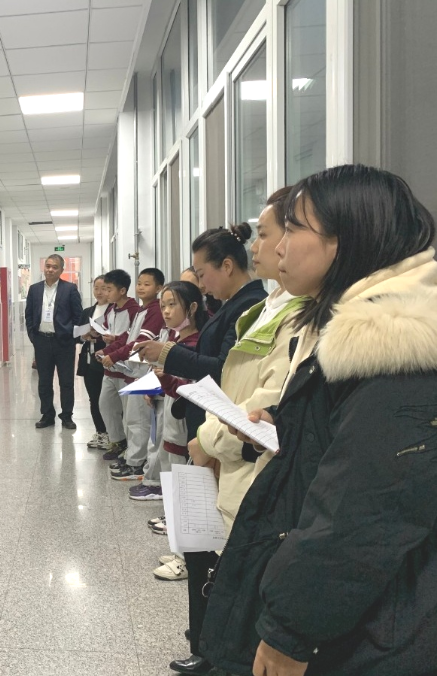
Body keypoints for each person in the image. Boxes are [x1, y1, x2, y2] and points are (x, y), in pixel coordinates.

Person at [202, 165, 437, 676]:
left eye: (292, 229)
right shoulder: (343, 323)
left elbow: (361, 515)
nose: (278, 247)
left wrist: (290, 632)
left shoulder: (394, 347)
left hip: (371, 631)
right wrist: (287, 422)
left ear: (345, 238)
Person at [134, 223, 267, 676]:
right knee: (201, 543)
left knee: (208, 548)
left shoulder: (250, 308)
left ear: (227, 266)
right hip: (207, 436)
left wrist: (167, 355)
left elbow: (225, 372)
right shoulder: (231, 306)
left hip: (220, 441)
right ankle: (205, 640)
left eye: (202, 272)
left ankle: (210, 646)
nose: (199, 282)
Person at [188, 187, 306, 531]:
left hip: (249, 464)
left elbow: (265, 404)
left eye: (265, 235)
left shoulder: (297, 314)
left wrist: (209, 440)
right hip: (232, 458)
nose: (255, 247)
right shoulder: (261, 308)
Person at [132, 281, 206, 504]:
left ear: (193, 307)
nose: (166, 311)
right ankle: (171, 509)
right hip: (168, 416)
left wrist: (163, 378)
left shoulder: (195, 345)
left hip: (182, 420)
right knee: (168, 459)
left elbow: (185, 388)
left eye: (172, 305)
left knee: (180, 465)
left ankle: (181, 513)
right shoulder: (174, 338)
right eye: (163, 305)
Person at [102, 268, 167, 481]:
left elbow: (139, 344)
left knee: (139, 421)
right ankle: (132, 456)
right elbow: (128, 339)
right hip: (134, 373)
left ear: (158, 288)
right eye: (139, 283)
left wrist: (114, 356)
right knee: (131, 419)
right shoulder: (142, 310)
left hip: (144, 373)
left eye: (147, 284)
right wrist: (111, 352)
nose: (141, 287)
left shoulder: (155, 311)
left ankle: (136, 464)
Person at [25, 254, 84, 429]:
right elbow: (29, 315)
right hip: (42, 341)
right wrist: (33, 337)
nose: (50, 270)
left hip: (64, 342)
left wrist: (72, 337)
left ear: (61, 270)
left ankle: (67, 416)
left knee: (66, 381)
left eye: (54, 267)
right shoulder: (34, 289)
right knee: (44, 381)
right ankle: (47, 415)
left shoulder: (70, 289)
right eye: (48, 266)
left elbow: (78, 316)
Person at [94, 269, 141, 456]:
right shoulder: (111, 309)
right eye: (104, 289)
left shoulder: (134, 310)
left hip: (126, 369)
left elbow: (131, 338)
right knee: (106, 405)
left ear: (122, 291)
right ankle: (117, 441)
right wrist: (104, 337)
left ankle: (131, 449)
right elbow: (108, 328)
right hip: (110, 366)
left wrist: (112, 345)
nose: (105, 293)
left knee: (130, 413)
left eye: (109, 289)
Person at [78, 275, 110, 448]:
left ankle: (114, 434)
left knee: (109, 400)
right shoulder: (88, 311)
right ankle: (101, 432)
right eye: (96, 288)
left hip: (107, 361)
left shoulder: (114, 310)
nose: (99, 292)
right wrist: (84, 336)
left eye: (104, 288)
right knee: (94, 398)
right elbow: (77, 336)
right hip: (89, 361)